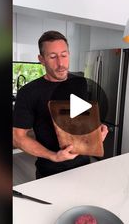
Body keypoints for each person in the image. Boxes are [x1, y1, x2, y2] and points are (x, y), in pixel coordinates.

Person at [13, 30, 108, 178]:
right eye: (53, 57)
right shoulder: (28, 92)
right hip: (50, 171)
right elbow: (17, 137)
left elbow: (82, 120)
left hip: (84, 166)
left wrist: (96, 132)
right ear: (41, 59)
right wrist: (54, 156)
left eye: (64, 55)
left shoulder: (79, 83)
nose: (61, 63)